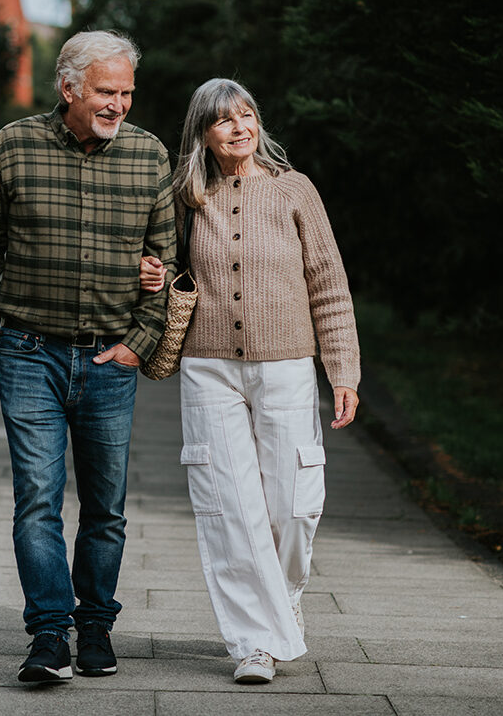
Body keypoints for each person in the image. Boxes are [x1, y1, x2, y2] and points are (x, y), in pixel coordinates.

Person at [0, 30, 175, 683]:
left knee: (106, 506)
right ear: (70, 88)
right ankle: (49, 636)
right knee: (38, 498)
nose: (119, 105)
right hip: (29, 350)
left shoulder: (149, 156)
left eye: (127, 93)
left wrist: (138, 345)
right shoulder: (14, 146)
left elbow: (167, 263)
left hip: (111, 359)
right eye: (107, 92)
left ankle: (96, 626)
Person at [139, 77, 359, 685]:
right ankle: (253, 644)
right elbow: (162, 265)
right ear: (203, 135)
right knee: (229, 506)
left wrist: (342, 371)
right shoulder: (187, 197)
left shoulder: (296, 191)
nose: (239, 128)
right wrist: (153, 276)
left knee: (293, 504)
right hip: (209, 369)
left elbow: (329, 284)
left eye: (247, 116)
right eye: (223, 121)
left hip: (287, 365)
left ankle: (280, 607)